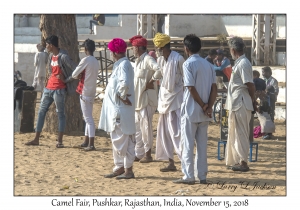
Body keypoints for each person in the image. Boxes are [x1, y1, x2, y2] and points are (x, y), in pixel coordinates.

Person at [173, 34, 217, 185]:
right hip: (205, 112)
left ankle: (189, 176)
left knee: (187, 144)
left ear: (186, 49)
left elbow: (190, 87)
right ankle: (202, 176)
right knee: (202, 145)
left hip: (192, 110)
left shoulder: (188, 64)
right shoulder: (209, 65)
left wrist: (204, 105)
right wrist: (209, 106)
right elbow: (214, 88)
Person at [25, 35, 79, 148]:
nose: (46, 47)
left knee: (60, 114)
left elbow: (76, 69)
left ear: (52, 45)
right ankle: (36, 139)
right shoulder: (50, 56)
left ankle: (59, 141)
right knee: (41, 112)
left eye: (47, 45)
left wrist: (66, 80)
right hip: (48, 88)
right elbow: (50, 71)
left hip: (59, 90)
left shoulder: (63, 57)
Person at [99, 38, 136, 179]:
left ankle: (128, 170)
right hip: (117, 111)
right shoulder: (119, 64)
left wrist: (122, 96)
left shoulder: (124, 65)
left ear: (114, 52)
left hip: (120, 111)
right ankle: (119, 167)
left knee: (125, 140)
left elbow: (124, 82)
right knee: (118, 140)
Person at [57, 39, 99, 151]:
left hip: (84, 90)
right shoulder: (95, 61)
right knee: (88, 117)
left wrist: (78, 75)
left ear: (85, 49)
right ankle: (86, 141)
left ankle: (91, 144)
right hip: (91, 91)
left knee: (88, 118)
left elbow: (75, 73)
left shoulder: (86, 60)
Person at [153, 33, 185, 172]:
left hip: (177, 99)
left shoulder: (178, 59)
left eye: (158, 47)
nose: (156, 50)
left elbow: (186, 78)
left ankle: (185, 162)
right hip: (164, 99)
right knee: (165, 133)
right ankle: (171, 162)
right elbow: (160, 74)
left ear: (163, 47)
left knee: (176, 132)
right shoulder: (160, 60)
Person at [225, 36, 256, 172]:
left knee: (242, 133)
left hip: (241, 102)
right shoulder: (240, 63)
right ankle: (239, 160)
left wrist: (253, 100)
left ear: (232, 50)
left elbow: (250, 84)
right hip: (237, 102)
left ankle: (243, 162)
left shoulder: (243, 63)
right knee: (237, 133)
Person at [129, 35, 162, 163]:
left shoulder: (148, 59)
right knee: (137, 129)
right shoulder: (138, 62)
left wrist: (152, 81)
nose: (133, 50)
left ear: (138, 48)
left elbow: (159, 70)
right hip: (138, 100)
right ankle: (139, 153)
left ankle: (148, 154)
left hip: (147, 100)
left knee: (146, 128)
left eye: (134, 47)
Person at [262, 66, 279, 140]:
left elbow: (276, 91)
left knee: (271, 115)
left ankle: (270, 133)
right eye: (262, 72)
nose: (263, 73)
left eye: (264, 72)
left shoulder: (273, 81)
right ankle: (266, 132)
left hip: (271, 100)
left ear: (269, 72)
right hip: (264, 100)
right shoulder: (263, 80)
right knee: (264, 115)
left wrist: (269, 93)